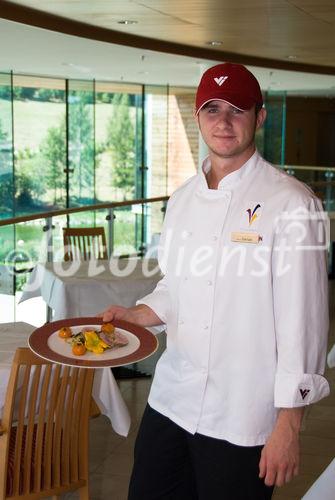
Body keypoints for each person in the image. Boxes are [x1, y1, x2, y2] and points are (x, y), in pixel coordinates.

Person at [100, 63, 330, 499]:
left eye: (237, 109)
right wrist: (137, 314)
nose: (223, 122)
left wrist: (289, 423)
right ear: (197, 116)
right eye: (212, 109)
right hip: (171, 400)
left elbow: (305, 322)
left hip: (243, 415)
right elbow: (176, 285)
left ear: (259, 117)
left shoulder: (294, 204)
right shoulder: (183, 198)